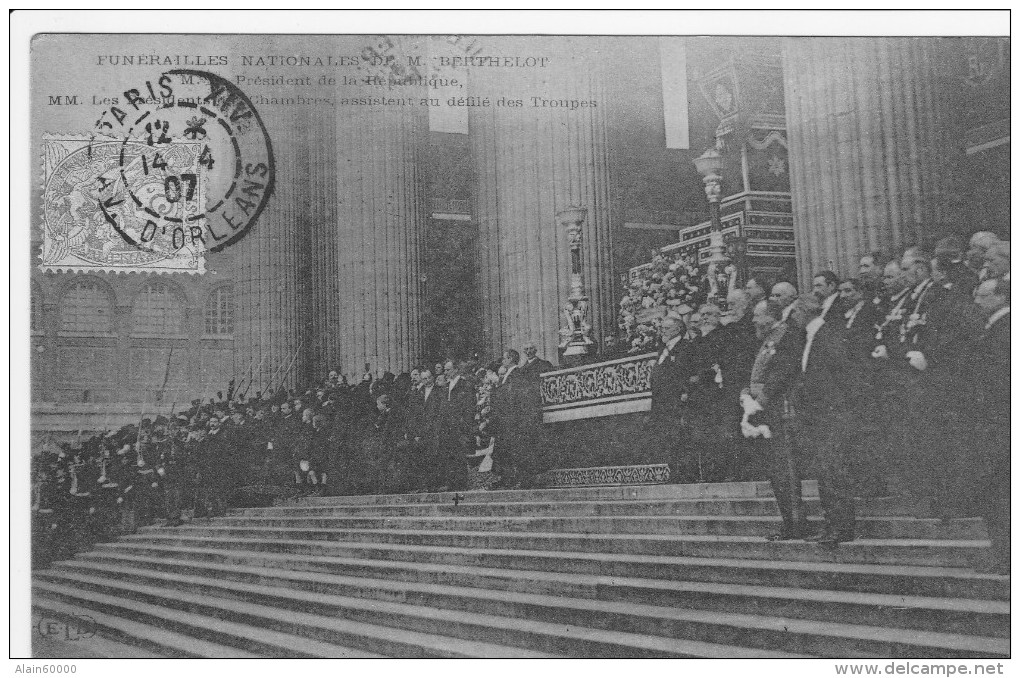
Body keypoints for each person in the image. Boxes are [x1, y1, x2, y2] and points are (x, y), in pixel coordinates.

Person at [792, 294, 866, 544]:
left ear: (804, 313)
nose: (793, 318)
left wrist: (836, 407)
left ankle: (842, 527)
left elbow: (843, 375)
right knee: (825, 470)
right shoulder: (811, 338)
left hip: (832, 414)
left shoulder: (828, 336)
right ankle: (832, 524)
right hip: (819, 416)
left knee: (834, 470)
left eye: (795, 313)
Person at [744, 300, 807, 540]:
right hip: (765, 411)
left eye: (757, 316)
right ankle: (788, 521)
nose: (753, 321)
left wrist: (761, 399)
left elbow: (783, 372)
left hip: (780, 410)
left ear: (771, 316)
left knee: (786, 468)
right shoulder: (767, 339)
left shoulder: (787, 336)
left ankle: (796, 523)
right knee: (776, 468)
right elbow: (756, 373)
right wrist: (746, 395)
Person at [972, 278, 1010, 573]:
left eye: (983, 296)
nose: (977, 301)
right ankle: (1002, 553)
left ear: (1000, 297)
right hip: (990, 424)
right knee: (993, 492)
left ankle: (1007, 555)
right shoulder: (991, 329)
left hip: (1000, 424)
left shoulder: (1006, 329)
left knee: (1000, 492)